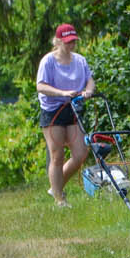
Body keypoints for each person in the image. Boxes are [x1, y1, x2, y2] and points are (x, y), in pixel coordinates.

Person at [34, 23, 94, 208]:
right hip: (53, 110)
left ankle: (56, 187)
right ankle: (60, 199)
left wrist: (88, 91)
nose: (71, 45)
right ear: (58, 41)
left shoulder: (80, 60)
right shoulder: (48, 61)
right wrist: (62, 93)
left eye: (73, 42)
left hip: (73, 108)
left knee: (81, 153)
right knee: (57, 155)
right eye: (67, 42)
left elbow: (90, 80)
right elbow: (41, 86)